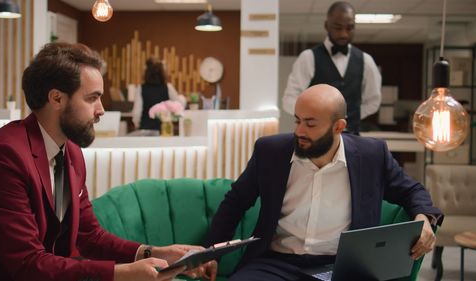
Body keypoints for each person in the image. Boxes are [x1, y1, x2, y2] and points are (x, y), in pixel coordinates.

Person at [0, 42, 216, 281]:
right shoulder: (4, 156)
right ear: (57, 98)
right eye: (92, 98)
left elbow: (90, 236)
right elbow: (26, 264)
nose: (101, 110)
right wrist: (121, 273)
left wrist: (157, 253)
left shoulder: (71, 152)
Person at [204, 84, 442, 281]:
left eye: (310, 123)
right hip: (274, 263)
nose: (299, 131)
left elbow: (412, 191)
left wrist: (423, 217)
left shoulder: (371, 155)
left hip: (341, 267)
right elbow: (235, 203)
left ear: (339, 127)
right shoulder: (271, 152)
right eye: (297, 120)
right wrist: (210, 254)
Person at [282, 1, 382, 135]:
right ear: (326, 26)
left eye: (349, 28)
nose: (344, 34)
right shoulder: (308, 57)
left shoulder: (366, 61)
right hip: (314, 138)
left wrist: (352, 116)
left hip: (351, 136)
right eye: (338, 27)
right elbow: (289, 99)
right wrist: (312, 118)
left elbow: (373, 101)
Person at [131, 57, 184, 133]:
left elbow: (136, 113)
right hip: (164, 131)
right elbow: (179, 106)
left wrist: (137, 125)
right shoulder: (168, 87)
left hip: (145, 130)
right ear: (162, 73)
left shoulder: (141, 88)